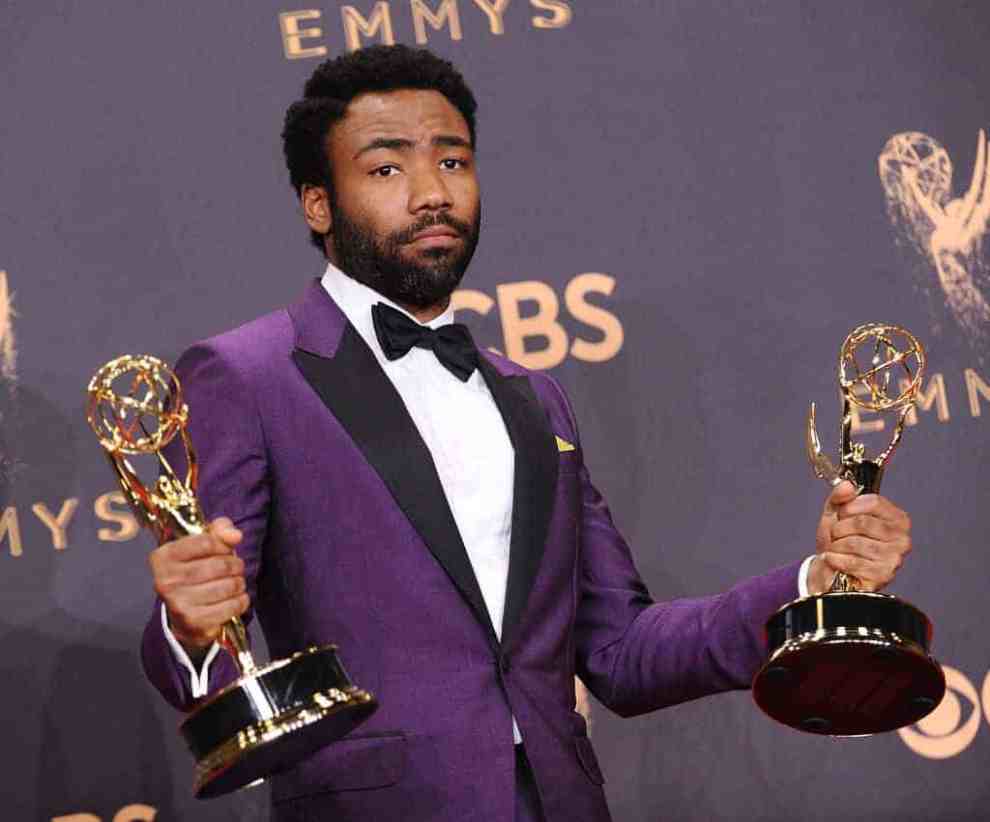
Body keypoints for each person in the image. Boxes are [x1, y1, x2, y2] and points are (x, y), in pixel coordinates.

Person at [140, 45, 914, 822]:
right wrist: (189, 626)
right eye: (386, 168)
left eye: (453, 161)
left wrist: (815, 586)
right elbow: (207, 639)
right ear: (318, 203)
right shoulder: (248, 376)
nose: (432, 193)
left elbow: (621, 651)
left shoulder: (534, 397)